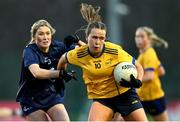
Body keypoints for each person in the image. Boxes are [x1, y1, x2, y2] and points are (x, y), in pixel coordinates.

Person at [57, 3, 147, 121]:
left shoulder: (114, 50)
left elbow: (138, 66)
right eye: (94, 37)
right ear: (86, 36)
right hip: (103, 99)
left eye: (101, 38)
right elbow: (64, 58)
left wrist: (138, 81)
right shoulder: (79, 54)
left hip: (126, 96)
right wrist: (59, 75)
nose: (98, 42)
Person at [16, 19, 85, 121]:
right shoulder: (29, 51)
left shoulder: (58, 47)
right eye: (41, 34)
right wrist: (60, 73)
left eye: (48, 33)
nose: (45, 37)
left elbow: (88, 51)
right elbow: (37, 73)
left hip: (52, 96)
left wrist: (78, 41)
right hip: (31, 100)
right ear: (34, 37)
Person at [135, 26, 169, 121]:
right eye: (137, 36)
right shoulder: (145, 54)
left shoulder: (149, 54)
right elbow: (162, 71)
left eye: (142, 36)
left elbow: (149, 76)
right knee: (122, 118)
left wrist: (134, 81)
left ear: (149, 39)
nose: (139, 39)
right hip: (143, 97)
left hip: (153, 98)